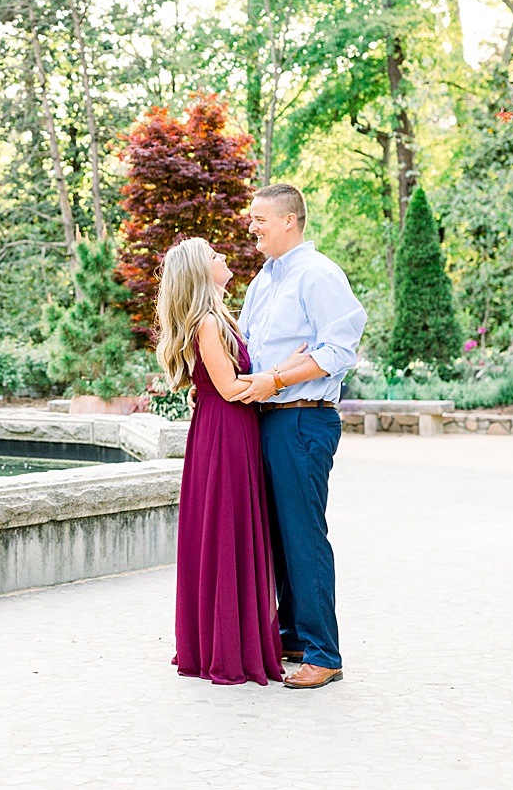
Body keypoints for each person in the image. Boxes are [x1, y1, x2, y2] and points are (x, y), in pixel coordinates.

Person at [235, 183, 367, 690]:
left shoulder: (319, 275)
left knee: (303, 535)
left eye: (259, 219)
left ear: (289, 220)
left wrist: (277, 380)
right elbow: (248, 348)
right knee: (276, 534)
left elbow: (338, 350)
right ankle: (290, 636)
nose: (252, 227)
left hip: (302, 418)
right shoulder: (262, 282)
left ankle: (324, 654)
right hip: (265, 419)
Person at [154, 237, 282, 686]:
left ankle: (220, 639)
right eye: (213, 255)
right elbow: (229, 388)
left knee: (227, 531)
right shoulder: (208, 321)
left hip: (227, 428)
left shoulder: (217, 316)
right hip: (226, 431)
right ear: (200, 271)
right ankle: (227, 648)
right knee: (227, 530)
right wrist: (285, 379)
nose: (223, 257)